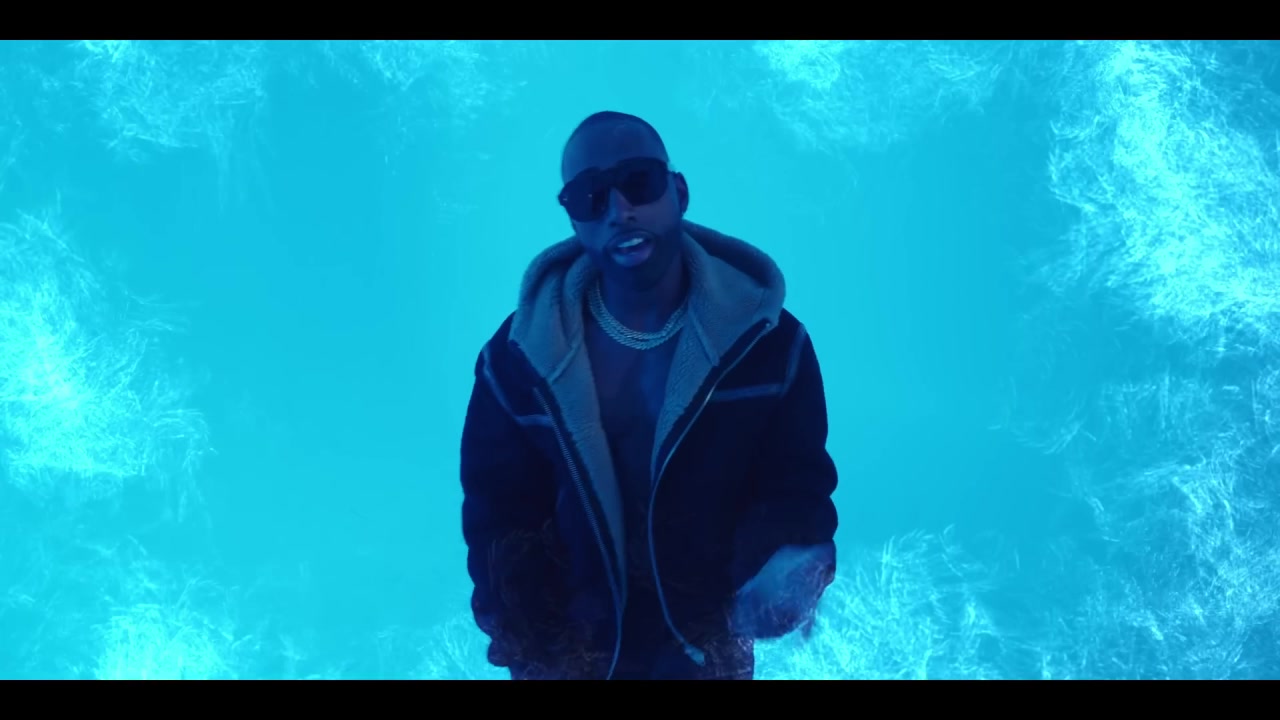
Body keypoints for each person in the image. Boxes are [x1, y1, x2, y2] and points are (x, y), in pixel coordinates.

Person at [459, 111, 839, 680]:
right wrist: (530, 632)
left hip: (706, 647)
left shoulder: (772, 345)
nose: (618, 210)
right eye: (590, 197)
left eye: (638, 182)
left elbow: (796, 486)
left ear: (678, 191)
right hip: (572, 657)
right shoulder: (515, 360)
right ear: (572, 216)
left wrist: (782, 564)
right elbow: (496, 510)